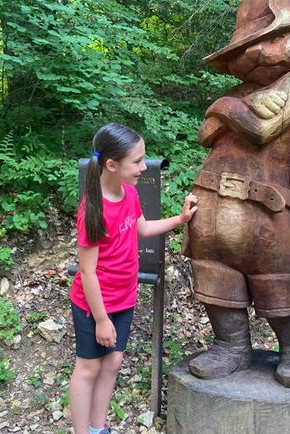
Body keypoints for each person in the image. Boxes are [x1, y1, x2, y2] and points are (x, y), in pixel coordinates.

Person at [68, 123, 198, 434]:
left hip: (124, 299)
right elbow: (87, 272)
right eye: (137, 161)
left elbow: (141, 229)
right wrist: (101, 319)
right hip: (94, 306)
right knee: (89, 368)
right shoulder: (93, 211)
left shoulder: (128, 192)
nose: (143, 167)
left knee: (112, 364)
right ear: (112, 165)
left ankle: (99, 428)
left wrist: (180, 220)